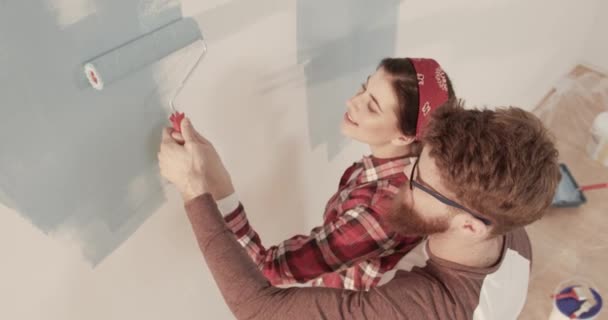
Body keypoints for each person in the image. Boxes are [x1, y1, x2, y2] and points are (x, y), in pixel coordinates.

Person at [158, 101, 561, 319]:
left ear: (470, 226)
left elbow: (256, 309)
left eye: (418, 183)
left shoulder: (418, 307)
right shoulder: (511, 236)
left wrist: (195, 190)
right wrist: (222, 185)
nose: (401, 183)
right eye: (414, 162)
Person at [171, 57, 457, 291]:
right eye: (363, 89)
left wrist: (217, 186)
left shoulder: (384, 210)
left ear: (405, 137)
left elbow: (267, 269)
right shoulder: (392, 172)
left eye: (372, 106)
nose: (352, 103)